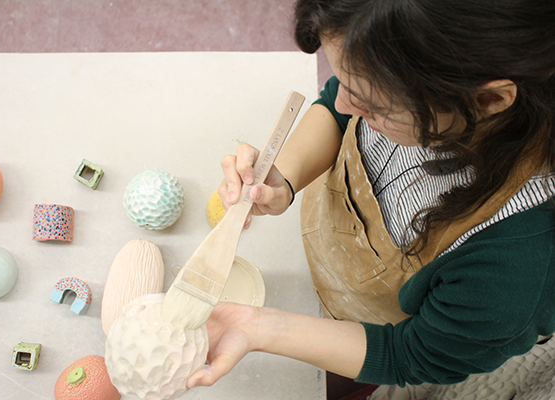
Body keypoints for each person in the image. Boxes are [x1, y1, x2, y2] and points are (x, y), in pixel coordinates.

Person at [186, 0, 555, 391]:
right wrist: (284, 177)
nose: (345, 102)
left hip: (370, 337)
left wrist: (258, 328)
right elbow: (335, 108)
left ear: (489, 100)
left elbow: (409, 353)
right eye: (343, 78)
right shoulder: (398, 79)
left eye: (374, 105)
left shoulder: (518, 266)